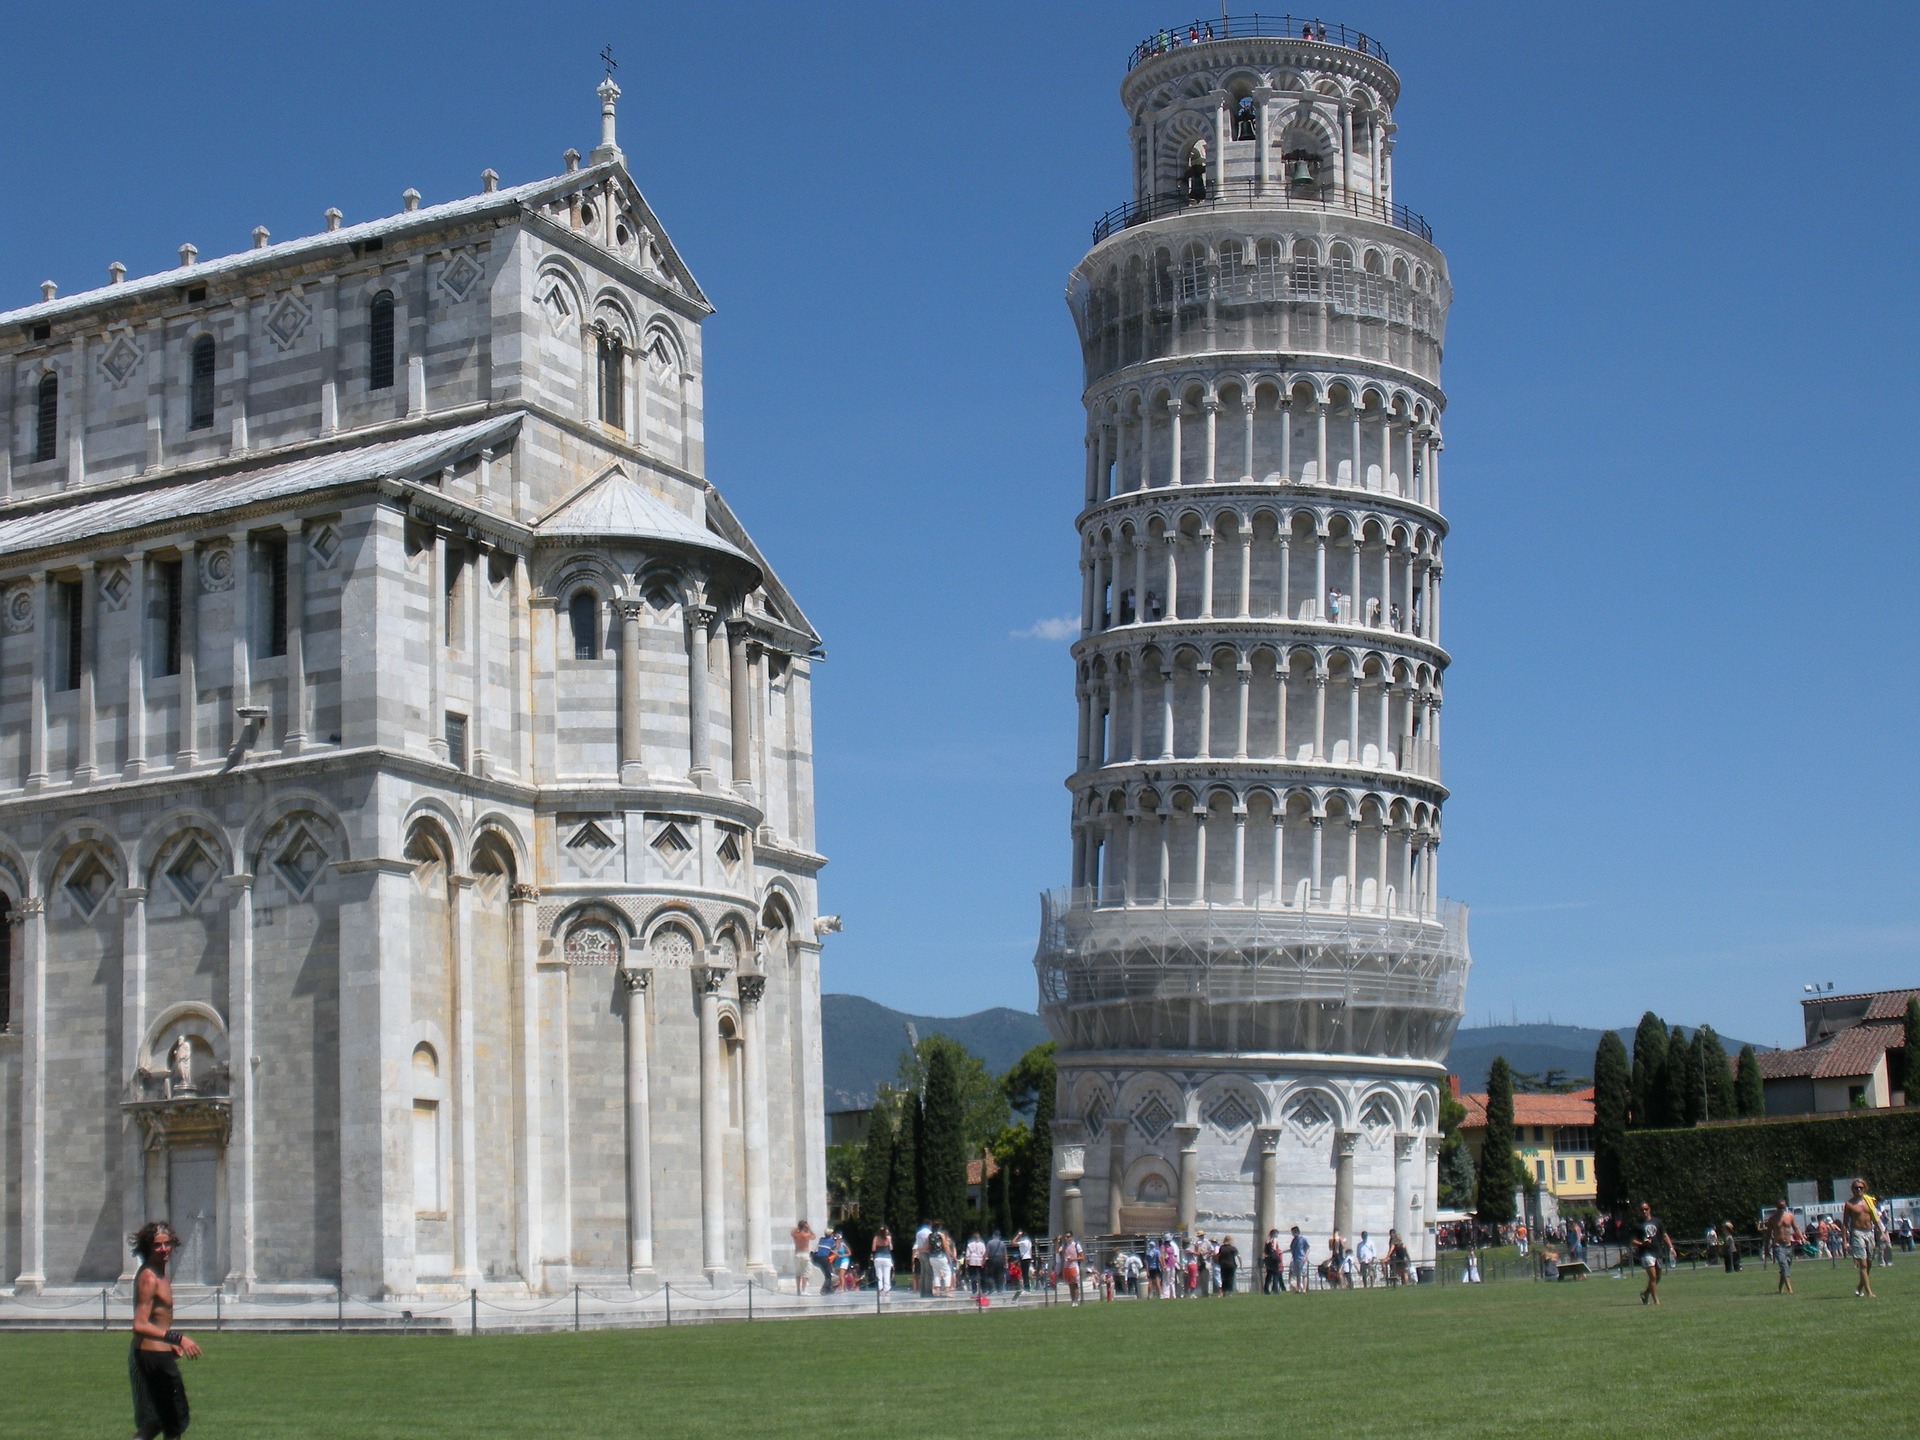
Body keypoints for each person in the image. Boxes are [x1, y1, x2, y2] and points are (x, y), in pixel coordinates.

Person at [129, 1221, 200, 1440]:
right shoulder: (149, 1278)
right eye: (158, 1245)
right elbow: (139, 1324)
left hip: (159, 1353)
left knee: (168, 1420)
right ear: (147, 1248)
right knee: (172, 1422)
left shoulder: (160, 1274)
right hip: (150, 1357)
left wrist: (168, 1344)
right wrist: (176, 1338)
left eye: (167, 1243)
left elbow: (156, 1321)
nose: (164, 1249)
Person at [1629, 1202, 1672, 1306]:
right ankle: (1656, 1301)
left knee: (1658, 1277)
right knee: (1652, 1276)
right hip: (1646, 1253)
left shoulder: (1657, 1221)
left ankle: (1645, 1293)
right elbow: (1632, 1240)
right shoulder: (1637, 1225)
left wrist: (1671, 1247)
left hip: (1657, 1251)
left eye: (1646, 1209)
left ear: (1649, 1209)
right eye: (1642, 1210)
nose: (1644, 1211)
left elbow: (1664, 1235)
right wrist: (1642, 1244)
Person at [1842, 1180, 1876, 1299]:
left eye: (1861, 1187)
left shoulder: (1869, 1201)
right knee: (1863, 1264)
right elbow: (1845, 1223)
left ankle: (1860, 1287)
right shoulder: (1849, 1204)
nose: (1859, 1190)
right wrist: (1845, 1241)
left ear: (1864, 1188)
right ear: (1853, 1189)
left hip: (1869, 1232)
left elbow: (1875, 1218)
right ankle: (1869, 1292)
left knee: (1869, 1263)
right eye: (1856, 1188)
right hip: (1857, 1233)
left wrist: (1882, 1232)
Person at [1057, 1232, 1084, 1306]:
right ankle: (1072, 1300)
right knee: (1070, 1284)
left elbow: (1082, 1257)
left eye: (1068, 1237)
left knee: (1075, 1284)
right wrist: (1058, 1243)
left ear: (1071, 1237)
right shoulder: (1064, 1245)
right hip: (1066, 1267)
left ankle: (1076, 1301)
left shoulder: (1076, 1245)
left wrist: (1073, 1259)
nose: (1066, 1238)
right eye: (1065, 1237)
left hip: (1074, 1266)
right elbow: (1059, 1252)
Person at [791, 1219, 816, 1296]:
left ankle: (798, 1290)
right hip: (805, 1254)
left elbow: (792, 1231)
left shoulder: (795, 1234)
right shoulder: (806, 1235)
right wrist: (809, 1228)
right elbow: (814, 1236)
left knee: (798, 1273)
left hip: (797, 1254)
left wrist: (799, 1226)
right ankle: (803, 1290)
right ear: (805, 1226)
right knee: (805, 1273)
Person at [871, 1226, 894, 1294]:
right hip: (887, 1258)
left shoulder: (876, 1238)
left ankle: (880, 1289)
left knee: (879, 1275)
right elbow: (891, 1248)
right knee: (887, 1275)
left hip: (878, 1257)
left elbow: (873, 1249)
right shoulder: (888, 1238)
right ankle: (887, 1290)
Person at [1287, 1225, 1310, 1292]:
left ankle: (1304, 1289)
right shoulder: (1293, 1240)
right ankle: (1298, 1288)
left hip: (1302, 1258)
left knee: (1304, 1274)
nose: (1292, 1234)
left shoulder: (1303, 1239)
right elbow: (1291, 1249)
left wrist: (1306, 1256)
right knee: (1298, 1274)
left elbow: (1308, 1248)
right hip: (1295, 1259)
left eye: (1293, 1232)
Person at [1261, 1229, 1283, 1294]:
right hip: (1274, 1258)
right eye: (1277, 1234)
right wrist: (1280, 1251)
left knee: (1269, 1274)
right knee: (1276, 1274)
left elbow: (1265, 1250)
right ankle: (1275, 1290)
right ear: (1275, 1234)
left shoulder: (1267, 1241)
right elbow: (1274, 1248)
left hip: (1268, 1258)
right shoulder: (1275, 1240)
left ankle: (1266, 1289)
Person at [986, 1229, 1008, 1294]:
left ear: (993, 1235)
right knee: (1000, 1275)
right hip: (1000, 1259)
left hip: (992, 1259)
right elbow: (1005, 1254)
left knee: (991, 1275)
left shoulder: (989, 1242)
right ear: (999, 1236)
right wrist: (1006, 1262)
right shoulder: (1002, 1243)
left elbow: (987, 1252)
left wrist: (984, 1261)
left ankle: (991, 1288)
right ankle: (1000, 1289)